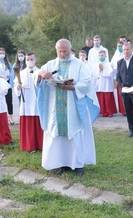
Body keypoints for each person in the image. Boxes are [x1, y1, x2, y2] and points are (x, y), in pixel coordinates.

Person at [36, 39, 99, 176]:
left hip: (73, 106)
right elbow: (37, 74)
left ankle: (77, 165)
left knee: (74, 135)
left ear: (70, 50)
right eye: (59, 51)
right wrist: (41, 74)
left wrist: (73, 87)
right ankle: (62, 163)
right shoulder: (51, 64)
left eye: (65, 51)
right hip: (56, 106)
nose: (62, 53)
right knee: (58, 136)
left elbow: (87, 81)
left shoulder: (79, 64)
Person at [16, 52, 43, 152]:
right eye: (27, 59)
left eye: (31, 59)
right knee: (28, 124)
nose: (29, 61)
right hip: (26, 102)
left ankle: (40, 144)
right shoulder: (21, 73)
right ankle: (29, 145)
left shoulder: (40, 71)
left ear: (35, 60)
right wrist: (18, 88)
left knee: (39, 122)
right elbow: (16, 87)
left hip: (37, 101)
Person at [0, 47, 16, 125]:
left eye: (3, 53)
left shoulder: (7, 63)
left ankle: (10, 117)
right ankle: (1, 118)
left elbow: (12, 72)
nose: (2, 55)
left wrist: (10, 76)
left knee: (9, 100)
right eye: (0, 53)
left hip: (7, 84)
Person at [91, 49, 117, 117]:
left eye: (102, 55)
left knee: (107, 98)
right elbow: (94, 75)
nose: (101, 57)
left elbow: (110, 74)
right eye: (99, 55)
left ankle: (109, 112)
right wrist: (99, 70)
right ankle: (103, 111)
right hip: (99, 84)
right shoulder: (96, 64)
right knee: (101, 98)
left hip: (106, 84)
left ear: (105, 56)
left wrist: (103, 71)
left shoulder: (108, 64)